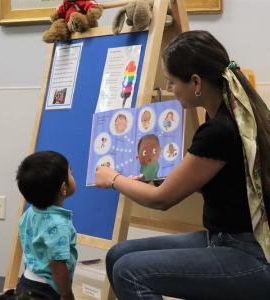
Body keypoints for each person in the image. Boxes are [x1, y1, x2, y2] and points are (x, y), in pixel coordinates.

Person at [95, 30, 270, 299]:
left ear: (196, 82)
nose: (168, 89)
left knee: (129, 271)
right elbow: (228, 183)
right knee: (118, 254)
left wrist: (113, 178)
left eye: (172, 81)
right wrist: (167, 178)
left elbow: (160, 201)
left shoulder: (218, 131)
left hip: (249, 252)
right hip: (226, 239)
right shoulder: (238, 116)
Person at [15, 151, 77, 300]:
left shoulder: (30, 213)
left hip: (26, 280)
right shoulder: (58, 224)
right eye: (70, 173)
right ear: (63, 188)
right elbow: (57, 263)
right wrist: (67, 294)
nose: (73, 175)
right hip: (46, 290)